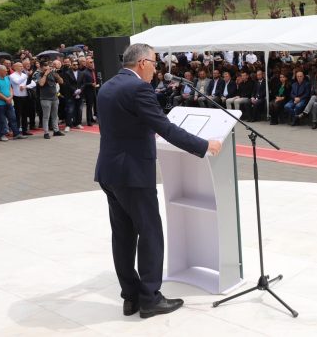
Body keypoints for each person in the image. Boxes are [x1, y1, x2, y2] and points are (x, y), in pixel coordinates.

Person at [94, 43, 222, 318]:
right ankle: (150, 298)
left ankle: (131, 297)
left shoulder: (107, 86)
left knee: (123, 235)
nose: (157, 68)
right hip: (133, 174)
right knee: (150, 232)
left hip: (109, 171)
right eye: (154, 62)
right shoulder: (139, 88)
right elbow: (164, 128)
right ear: (142, 62)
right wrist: (204, 145)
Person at [0, 65, 27, 142]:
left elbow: (10, 88)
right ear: (0, 71)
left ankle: (16, 133)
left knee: (12, 118)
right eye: (5, 71)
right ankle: (2, 135)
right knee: (1, 120)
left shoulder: (7, 78)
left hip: (8, 101)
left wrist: (10, 97)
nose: (7, 72)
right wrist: (6, 98)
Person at [35, 60, 66, 139]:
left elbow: (61, 82)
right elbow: (41, 84)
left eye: (48, 68)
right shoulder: (38, 74)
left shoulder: (53, 73)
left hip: (54, 98)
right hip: (45, 99)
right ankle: (46, 132)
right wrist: (45, 74)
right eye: (45, 69)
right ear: (41, 68)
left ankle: (56, 131)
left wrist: (57, 75)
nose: (47, 70)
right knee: (46, 116)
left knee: (55, 115)